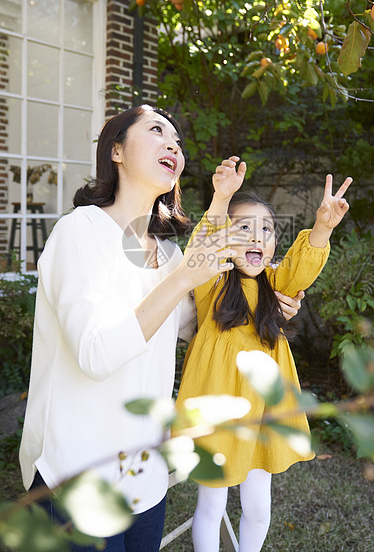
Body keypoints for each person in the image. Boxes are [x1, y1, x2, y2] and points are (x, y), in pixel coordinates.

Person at [19, 106, 303, 552]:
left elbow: (211, 331)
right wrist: (185, 278)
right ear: (116, 150)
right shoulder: (80, 232)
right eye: (157, 131)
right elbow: (95, 355)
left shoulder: (170, 255)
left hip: (146, 484)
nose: (173, 144)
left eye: (178, 141)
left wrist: (268, 305)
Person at [175, 156, 353, 552]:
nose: (257, 238)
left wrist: (323, 227)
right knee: (211, 504)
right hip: (217, 405)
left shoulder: (276, 283)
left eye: (267, 230)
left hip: (267, 409)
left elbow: (301, 270)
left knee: (258, 507)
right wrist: (221, 198)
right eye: (244, 229)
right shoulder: (212, 280)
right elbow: (202, 249)